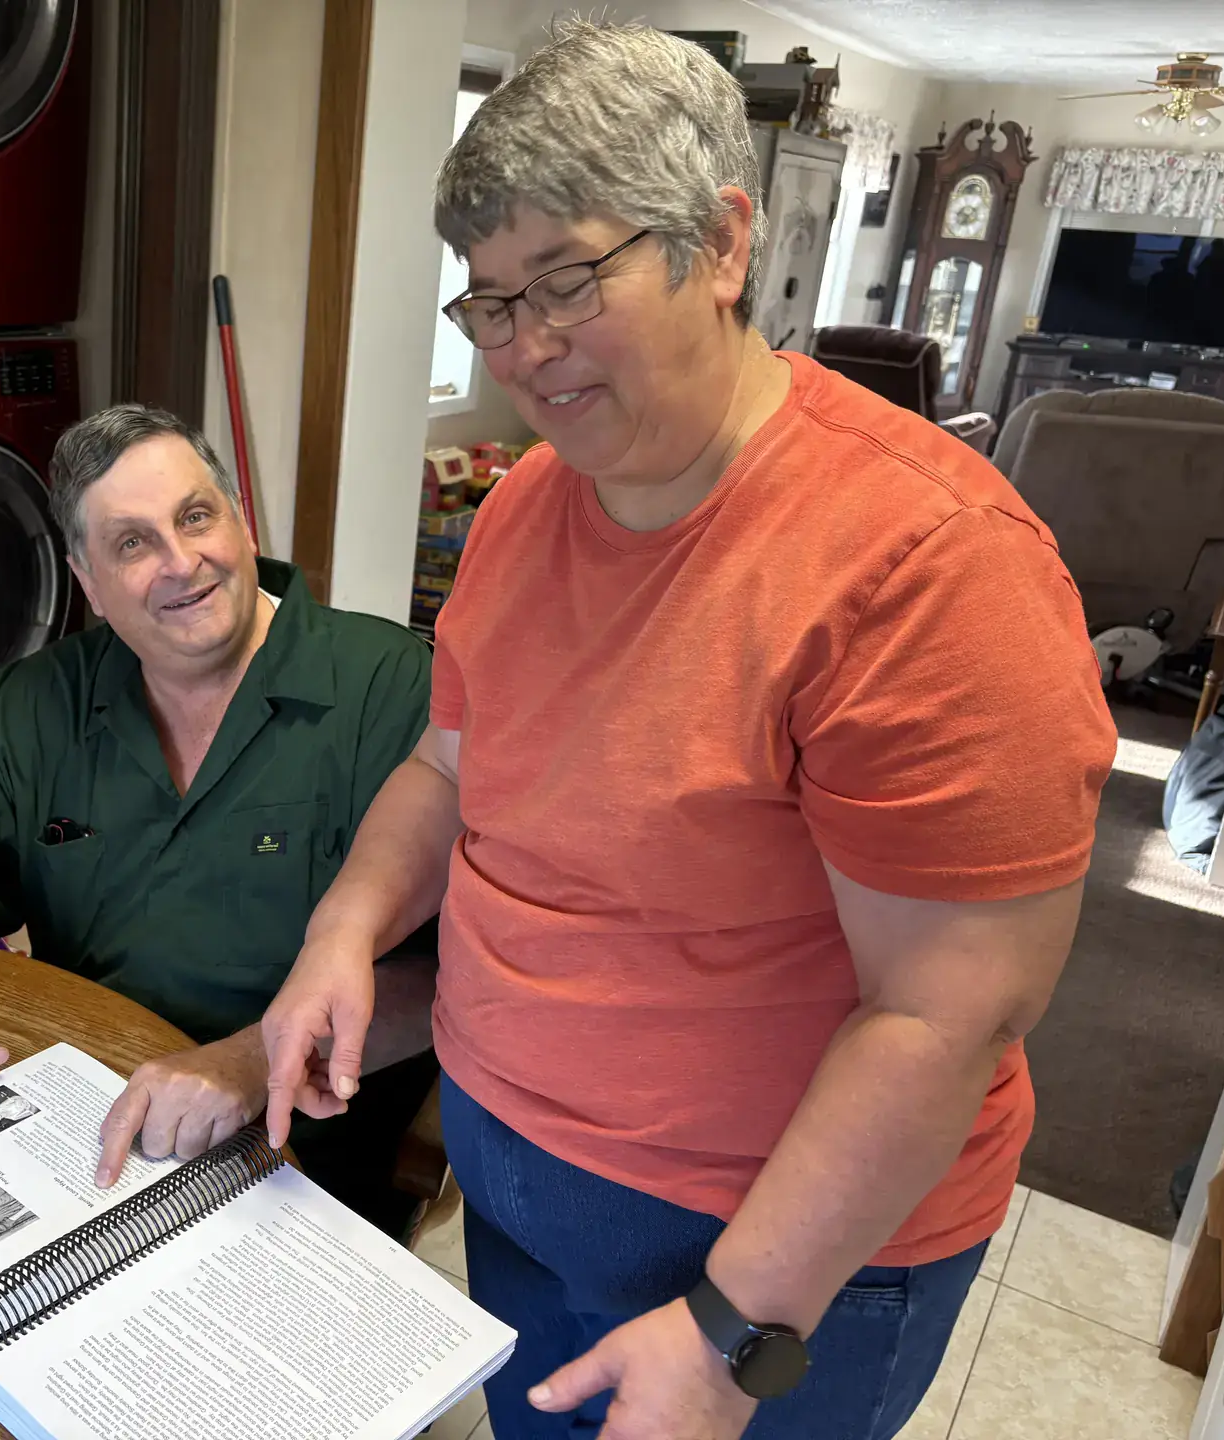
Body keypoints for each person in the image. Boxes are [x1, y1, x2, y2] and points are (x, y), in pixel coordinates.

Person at [262, 22, 1115, 1440]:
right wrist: (342, 934)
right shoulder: (526, 509)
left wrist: (730, 1332)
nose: (525, 348)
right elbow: (447, 770)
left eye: (567, 281)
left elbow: (947, 1012)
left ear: (721, 245)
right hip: (517, 1192)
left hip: (777, 1274)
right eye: (488, 304)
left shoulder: (926, 565)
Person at [0, 404, 439, 1235]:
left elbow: (456, 976)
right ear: (88, 584)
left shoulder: (393, 688)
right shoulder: (37, 703)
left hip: (306, 1149)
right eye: (134, 543)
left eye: (195, 516)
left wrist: (249, 1064)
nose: (183, 563)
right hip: (85, 1125)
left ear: (241, 523)